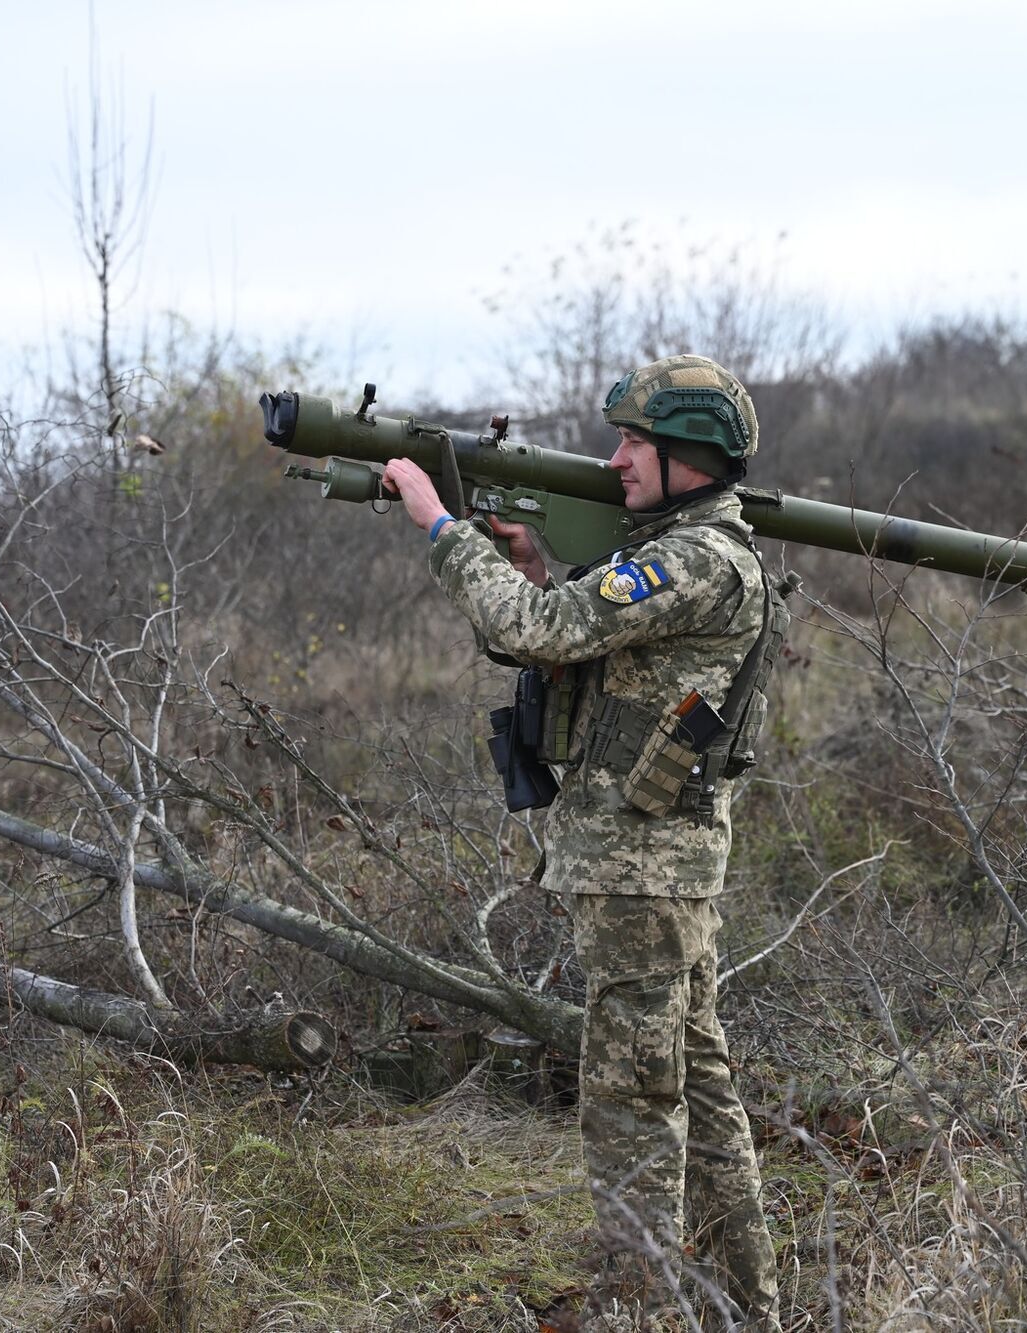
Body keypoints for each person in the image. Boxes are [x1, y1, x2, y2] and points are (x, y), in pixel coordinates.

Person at [378, 354, 783, 1329]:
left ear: (691, 454)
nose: (615, 462)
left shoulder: (694, 560)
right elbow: (556, 636)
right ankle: (743, 1310)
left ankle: (644, 1314)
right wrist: (519, 563)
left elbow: (538, 628)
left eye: (634, 443)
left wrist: (436, 523)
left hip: (645, 883)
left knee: (633, 1115)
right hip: (648, 875)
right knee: (695, 1093)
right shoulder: (676, 550)